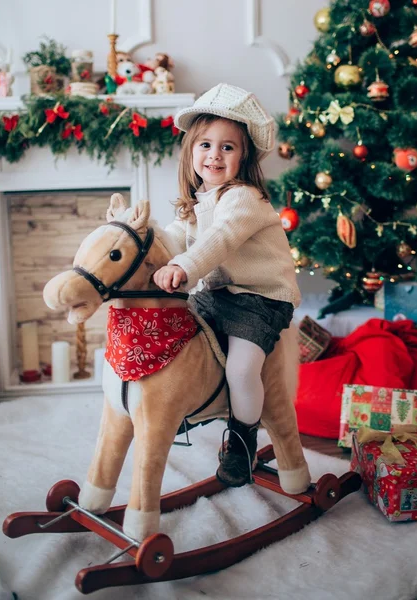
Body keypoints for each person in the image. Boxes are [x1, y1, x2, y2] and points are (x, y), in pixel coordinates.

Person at [154, 83, 301, 487]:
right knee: (179, 336)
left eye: (227, 147)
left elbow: (219, 241)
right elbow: (170, 238)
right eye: (205, 144)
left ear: (244, 156)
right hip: (218, 294)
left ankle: (241, 442)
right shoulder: (198, 202)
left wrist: (183, 267)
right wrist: (140, 241)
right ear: (191, 152)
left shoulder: (243, 199)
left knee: (240, 368)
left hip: (261, 297)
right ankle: (181, 404)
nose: (214, 155)